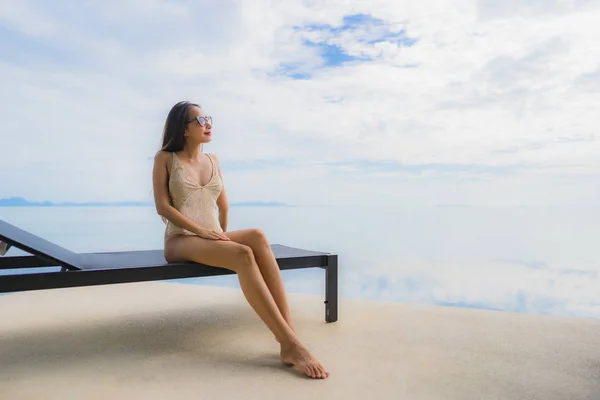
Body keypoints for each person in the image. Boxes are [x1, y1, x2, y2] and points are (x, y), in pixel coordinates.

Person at [152, 101, 329, 379]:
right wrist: (204, 235)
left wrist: (220, 235)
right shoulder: (165, 158)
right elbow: (163, 207)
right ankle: (291, 344)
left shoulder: (213, 161)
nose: (208, 124)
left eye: (208, 118)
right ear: (184, 130)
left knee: (256, 236)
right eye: (200, 120)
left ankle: (289, 337)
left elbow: (224, 205)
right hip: (180, 239)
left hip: (209, 236)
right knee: (242, 254)